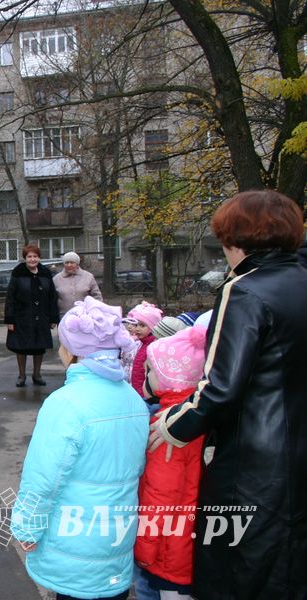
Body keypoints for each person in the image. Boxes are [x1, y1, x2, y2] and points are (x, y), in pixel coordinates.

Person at [149, 190, 307, 599]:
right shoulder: (300, 278)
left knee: (239, 567)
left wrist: (173, 425)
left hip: (254, 458)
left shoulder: (245, 290)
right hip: (296, 448)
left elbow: (221, 386)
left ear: (235, 238)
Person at [11, 296, 149, 600]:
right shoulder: (133, 399)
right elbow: (137, 467)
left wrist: (26, 527)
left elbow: (43, 477)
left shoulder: (65, 404)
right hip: (117, 537)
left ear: (72, 350)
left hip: (74, 543)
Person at [135, 325, 208, 600]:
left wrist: (145, 549)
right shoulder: (198, 417)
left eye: (152, 371)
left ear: (169, 378)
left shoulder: (167, 429)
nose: (147, 376)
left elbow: (160, 497)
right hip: (194, 539)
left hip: (169, 548)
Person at [4, 244, 59, 387]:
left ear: (39, 258)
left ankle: (37, 375)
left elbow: (52, 297)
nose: (32, 259)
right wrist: (10, 319)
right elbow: (10, 298)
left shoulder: (45, 274)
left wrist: (53, 318)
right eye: (29, 256)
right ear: (25, 258)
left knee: (39, 346)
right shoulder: (18, 273)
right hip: (21, 317)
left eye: (35, 256)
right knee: (21, 347)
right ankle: (22, 376)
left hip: (42, 316)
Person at [124, 301, 163, 399]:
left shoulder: (154, 346)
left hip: (147, 394)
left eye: (142, 326)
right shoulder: (141, 343)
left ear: (152, 327)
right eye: (136, 325)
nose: (137, 329)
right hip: (136, 391)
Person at [53, 251, 103, 318]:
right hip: (64, 317)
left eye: (72, 262)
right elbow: (52, 300)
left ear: (77, 264)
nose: (69, 265)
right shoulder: (56, 279)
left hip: (86, 317)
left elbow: (97, 296)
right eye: (66, 263)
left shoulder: (88, 277)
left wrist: (95, 312)